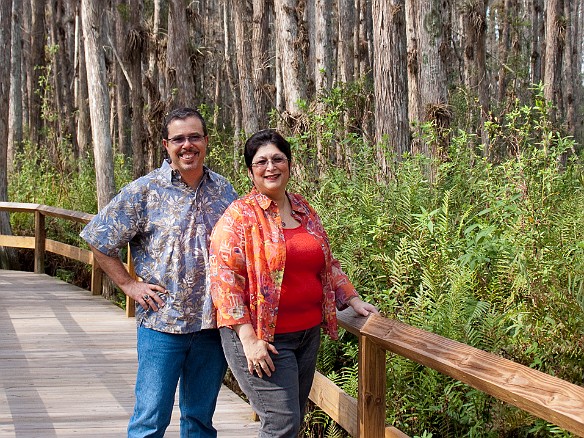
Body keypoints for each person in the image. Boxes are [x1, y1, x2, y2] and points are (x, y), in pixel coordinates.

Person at [209, 129, 378, 437]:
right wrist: (249, 340)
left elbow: (325, 262)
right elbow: (224, 282)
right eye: (261, 162)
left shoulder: (302, 208)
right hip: (262, 338)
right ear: (250, 171)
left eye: (278, 159)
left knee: (293, 421)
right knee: (281, 424)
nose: (271, 167)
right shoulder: (239, 216)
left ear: (289, 164)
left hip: (307, 334)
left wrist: (352, 299)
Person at [80, 107, 238, 438]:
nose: (187, 145)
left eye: (194, 137)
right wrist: (128, 285)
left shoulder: (224, 190)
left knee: (199, 421)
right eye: (179, 138)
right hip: (161, 324)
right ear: (166, 145)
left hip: (212, 325)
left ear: (206, 141)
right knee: (150, 421)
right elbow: (98, 237)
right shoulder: (144, 191)